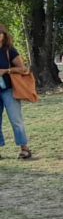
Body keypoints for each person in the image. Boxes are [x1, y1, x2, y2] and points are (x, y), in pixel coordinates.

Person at [0, 24, 33, 160]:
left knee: (16, 120)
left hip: (8, 90)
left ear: (4, 35)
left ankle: (24, 148)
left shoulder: (9, 50)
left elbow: (23, 69)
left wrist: (6, 71)